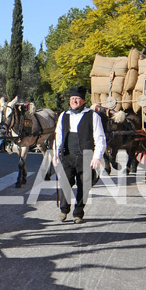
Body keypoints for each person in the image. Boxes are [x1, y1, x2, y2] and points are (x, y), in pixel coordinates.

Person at [52, 85, 106, 224]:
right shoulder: (64, 115)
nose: (74, 101)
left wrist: (97, 157)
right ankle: (64, 210)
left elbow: (100, 138)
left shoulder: (93, 116)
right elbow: (58, 136)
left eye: (77, 98)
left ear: (83, 100)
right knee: (65, 183)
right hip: (67, 156)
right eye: (72, 99)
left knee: (84, 186)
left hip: (86, 157)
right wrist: (55, 154)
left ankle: (78, 213)